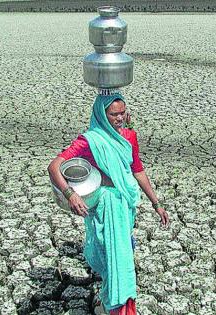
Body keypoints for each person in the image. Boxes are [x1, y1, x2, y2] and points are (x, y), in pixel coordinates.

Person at [48, 93, 169, 314]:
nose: (120, 118)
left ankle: (114, 305)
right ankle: (110, 301)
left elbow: (137, 171)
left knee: (120, 256)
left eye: (122, 113)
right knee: (106, 254)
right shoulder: (90, 140)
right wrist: (70, 194)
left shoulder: (129, 137)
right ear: (102, 115)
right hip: (105, 206)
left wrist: (156, 203)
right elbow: (54, 166)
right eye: (114, 114)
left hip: (124, 203)